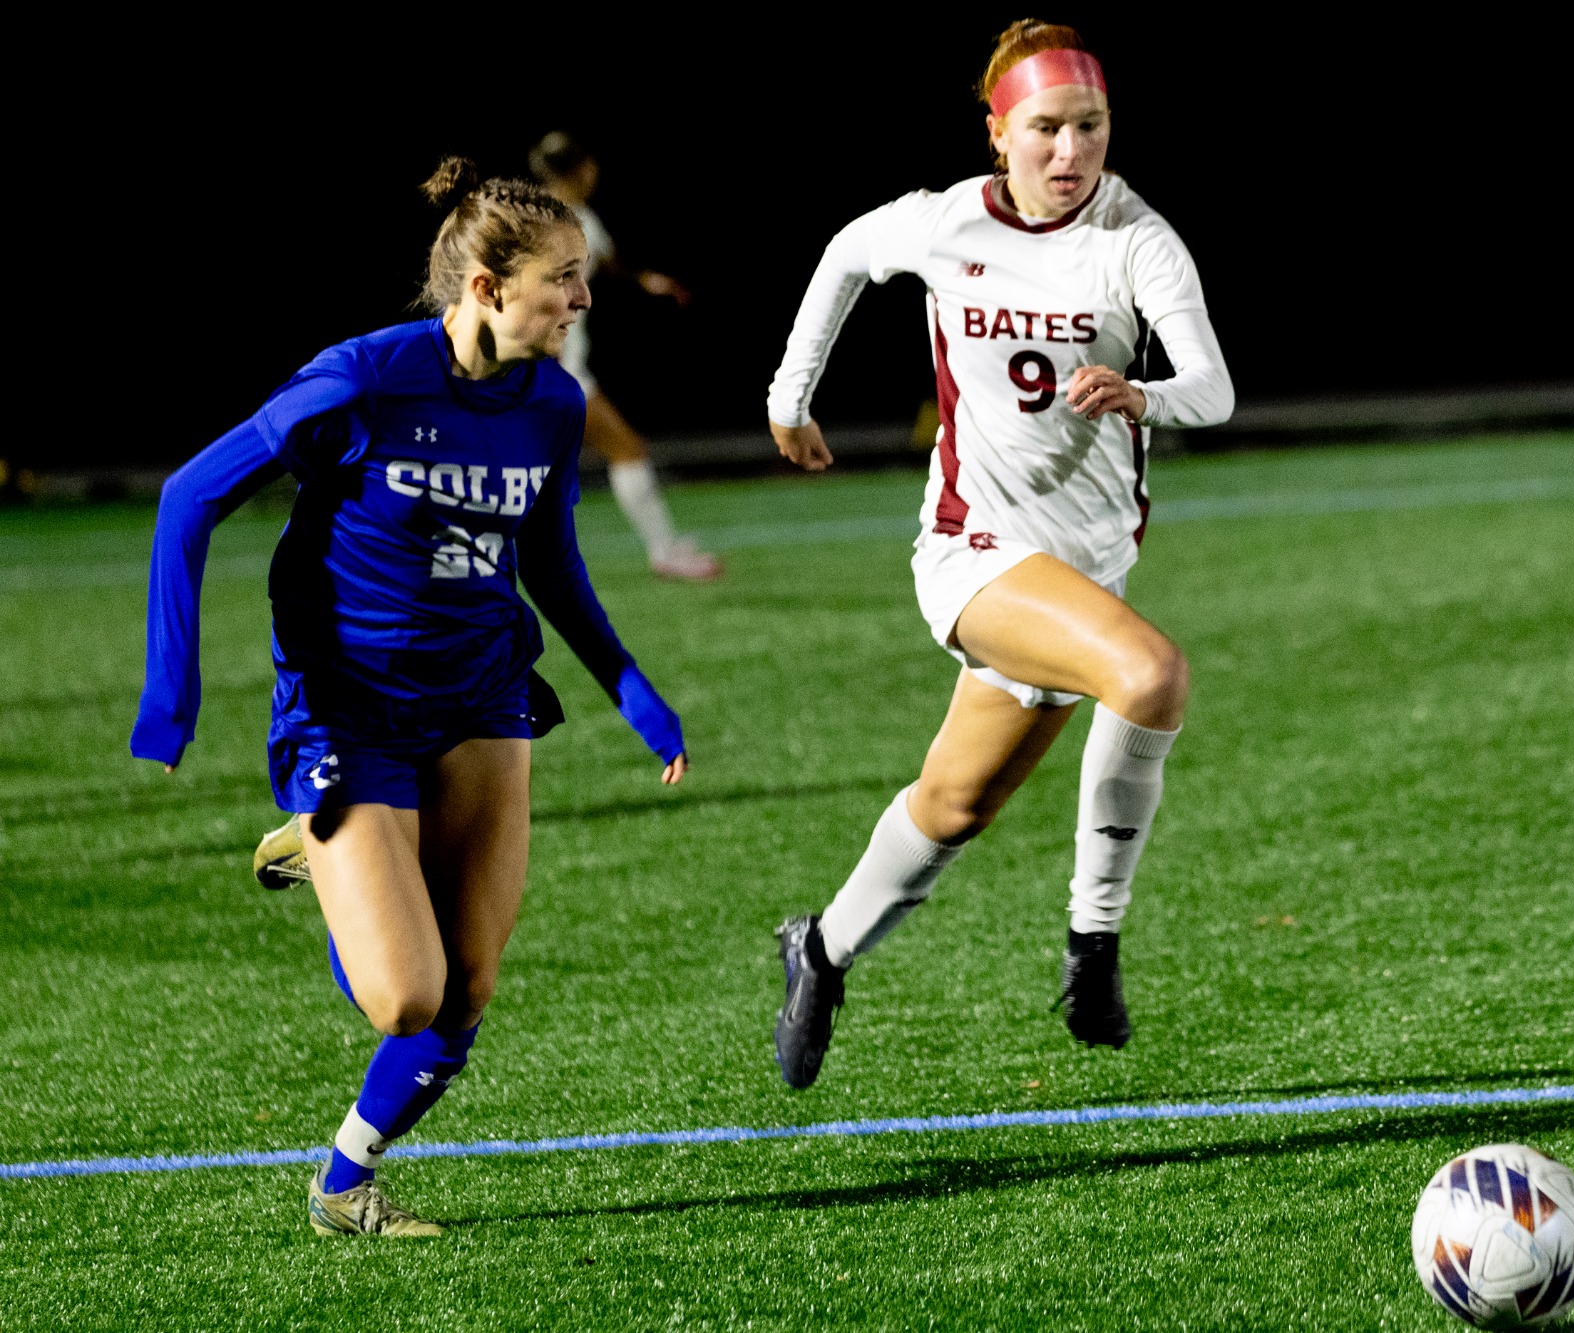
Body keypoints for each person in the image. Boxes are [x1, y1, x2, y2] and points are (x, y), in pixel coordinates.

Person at [132, 158, 689, 1235]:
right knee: (404, 996)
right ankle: (320, 833)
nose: (581, 300)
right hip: (350, 709)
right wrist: (173, 691)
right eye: (562, 280)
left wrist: (633, 692)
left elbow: (553, 565)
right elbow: (189, 495)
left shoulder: (551, 402)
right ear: (484, 284)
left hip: (483, 694)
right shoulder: (363, 379)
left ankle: (343, 1183)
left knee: (466, 989)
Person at [763, 19, 1233, 1089]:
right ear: (995, 131)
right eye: (1046, 130)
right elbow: (844, 254)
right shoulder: (943, 225)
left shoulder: (1133, 238)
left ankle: (820, 949)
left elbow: (1213, 387)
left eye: (1090, 127)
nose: (1070, 154)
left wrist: (1143, 390)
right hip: (972, 548)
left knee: (952, 807)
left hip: (1081, 572)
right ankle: (1092, 943)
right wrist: (789, 400)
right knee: (1150, 674)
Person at [530, 131, 720, 582]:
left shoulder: (572, 218)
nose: (595, 172)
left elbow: (606, 266)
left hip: (554, 366)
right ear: (578, 169)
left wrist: (644, 280)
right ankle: (666, 553)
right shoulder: (552, 226)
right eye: (590, 165)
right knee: (626, 449)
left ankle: (666, 549)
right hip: (553, 368)